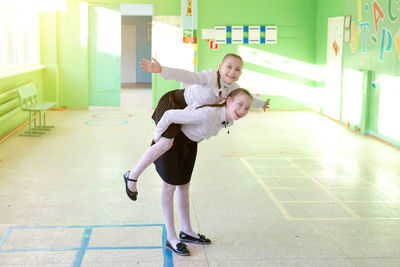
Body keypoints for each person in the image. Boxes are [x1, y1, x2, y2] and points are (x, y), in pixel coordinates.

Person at [123, 54, 270, 201]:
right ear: (220, 67)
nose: (232, 72)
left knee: (182, 149)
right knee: (165, 143)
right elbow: (188, 76)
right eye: (229, 67)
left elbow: (246, 98)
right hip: (175, 102)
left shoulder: (234, 88)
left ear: (240, 74)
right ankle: (132, 176)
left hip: (191, 113)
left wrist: (261, 104)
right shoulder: (210, 76)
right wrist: (162, 70)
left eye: (237, 69)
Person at [125, 88, 253, 256]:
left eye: (247, 108)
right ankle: (171, 237)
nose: (242, 111)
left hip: (189, 145)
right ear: (228, 101)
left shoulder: (230, 119)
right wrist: (158, 136)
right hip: (174, 141)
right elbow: (170, 116)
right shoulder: (208, 113)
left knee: (184, 186)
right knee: (169, 187)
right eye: (240, 105)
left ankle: (186, 231)